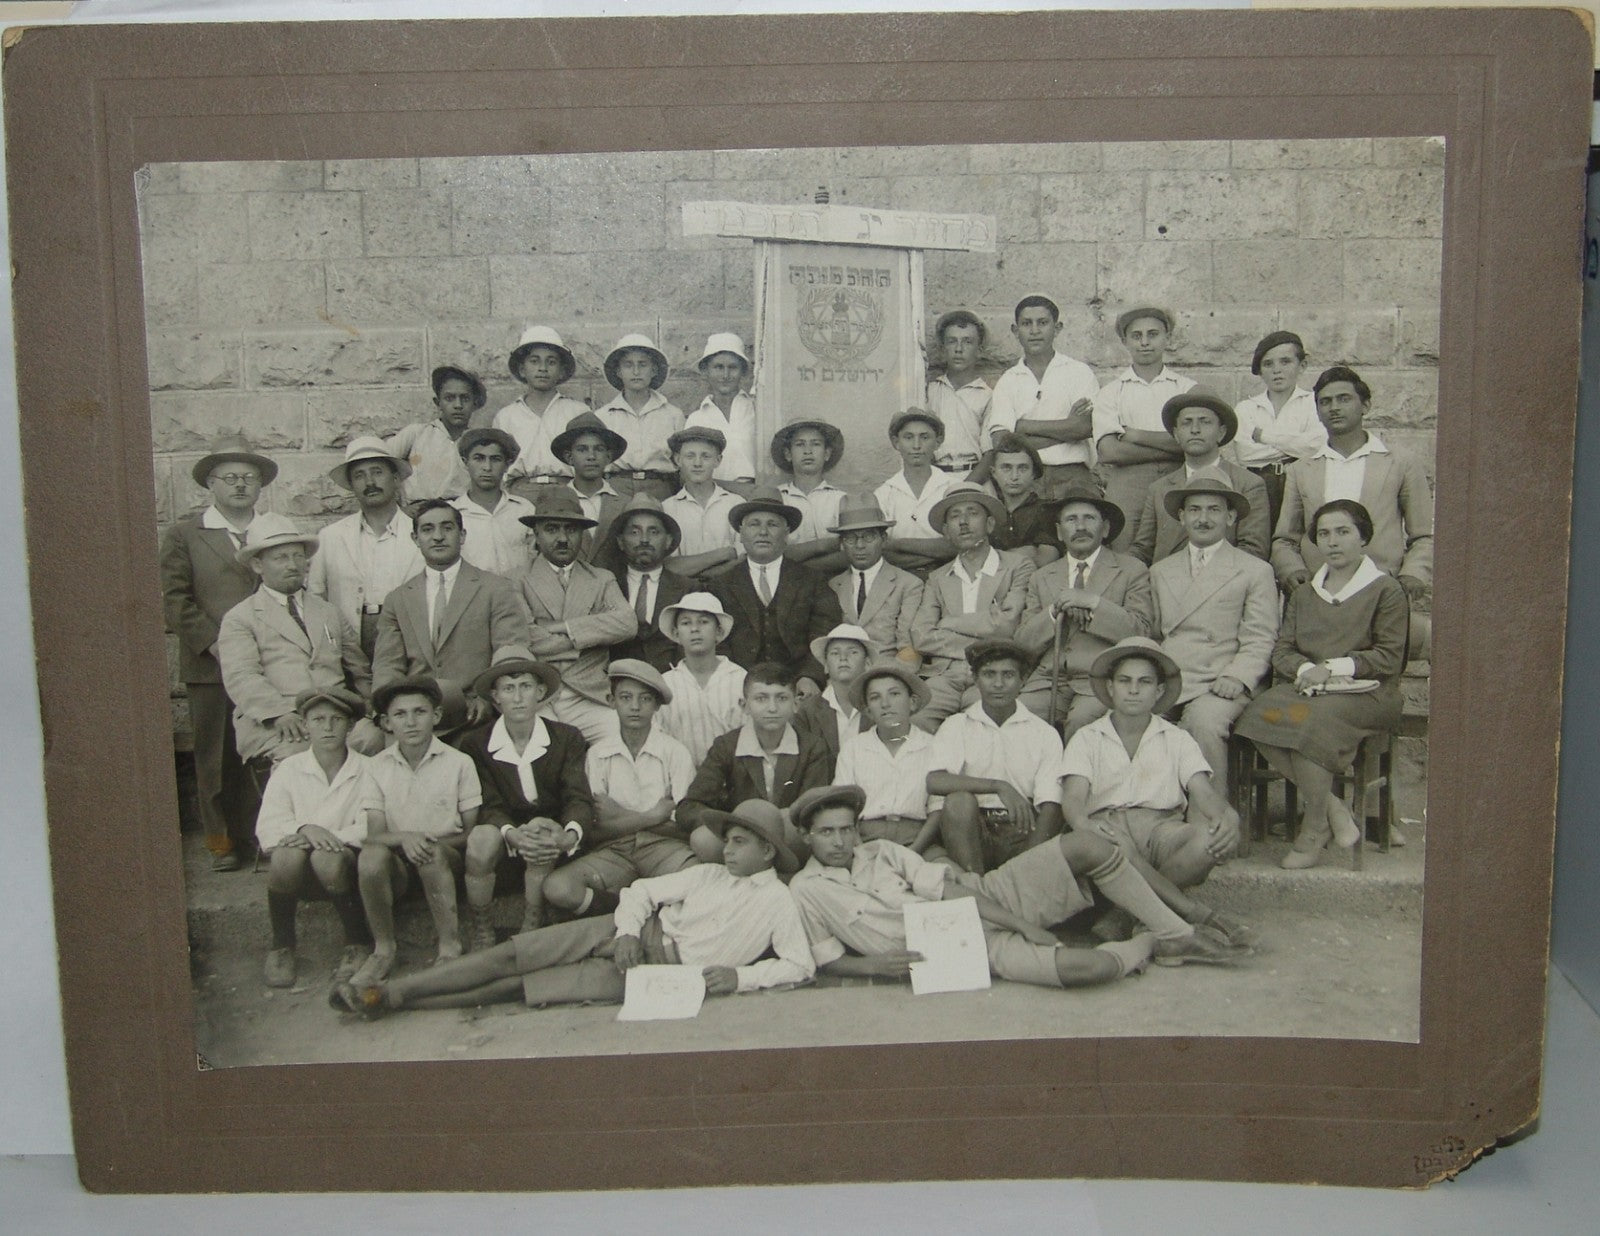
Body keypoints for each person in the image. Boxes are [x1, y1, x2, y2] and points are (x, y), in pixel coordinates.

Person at [330, 798, 813, 1017]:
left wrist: (741, 977)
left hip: (666, 974)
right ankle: (391, 991)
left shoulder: (778, 902)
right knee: (515, 953)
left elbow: (799, 964)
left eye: (740, 843)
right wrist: (625, 932)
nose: (727, 850)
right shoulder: (708, 873)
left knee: (518, 987)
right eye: (727, 840)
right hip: (626, 934)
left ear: (769, 851)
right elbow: (641, 892)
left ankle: (402, 1004)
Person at [789, 785, 1243, 987]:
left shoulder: (882, 852)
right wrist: (874, 967)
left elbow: (954, 892)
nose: (840, 841)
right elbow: (825, 958)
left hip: (988, 898)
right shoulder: (807, 890)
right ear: (809, 836)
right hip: (948, 948)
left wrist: (1023, 925)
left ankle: (1175, 933)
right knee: (1094, 972)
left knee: (1087, 844)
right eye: (827, 833)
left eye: (846, 829)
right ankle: (1150, 943)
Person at [1235, 500, 1410, 869]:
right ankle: (1334, 810)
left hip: (1370, 694)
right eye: (1324, 534)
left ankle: (1312, 830)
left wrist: (1330, 668)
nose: (1333, 542)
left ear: (1363, 537)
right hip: (1311, 693)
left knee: (1308, 724)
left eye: (1343, 532)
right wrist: (1305, 671)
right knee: (1257, 714)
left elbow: (1389, 658)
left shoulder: (1385, 590)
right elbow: (1283, 651)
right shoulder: (1304, 593)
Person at [1056, 639, 1251, 936]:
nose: (1133, 690)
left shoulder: (1177, 738)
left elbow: (1203, 792)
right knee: (1115, 844)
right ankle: (1190, 915)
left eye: (1144, 682)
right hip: (1105, 828)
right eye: (1124, 681)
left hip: (1161, 830)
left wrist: (1227, 817)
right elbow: (1073, 797)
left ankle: (1126, 914)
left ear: (1158, 691)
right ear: (1110, 687)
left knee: (1206, 840)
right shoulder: (1087, 737)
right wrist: (1083, 824)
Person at [160, 433, 273, 871]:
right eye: (230, 477)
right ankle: (222, 841)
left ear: (261, 484)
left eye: (249, 477)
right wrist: (214, 644)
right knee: (216, 753)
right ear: (211, 483)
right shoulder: (187, 534)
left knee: (266, 744)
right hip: (212, 664)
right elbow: (176, 599)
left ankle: (266, 835)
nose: (240, 485)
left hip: (268, 662)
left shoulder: (271, 530)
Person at [540, 660, 699, 922]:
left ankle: (645, 913)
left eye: (645, 699)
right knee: (558, 888)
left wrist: (619, 815)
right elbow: (596, 829)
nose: (635, 707)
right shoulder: (598, 755)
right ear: (611, 701)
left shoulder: (675, 753)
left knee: (697, 879)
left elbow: (683, 827)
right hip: (615, 850)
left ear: (657, 705)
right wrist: (651, 816)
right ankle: (623, 909)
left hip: (665, 848)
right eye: (625, 697)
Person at [217, 514, 380, 767]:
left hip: (334, 714)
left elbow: (358, 668)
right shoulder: (241, 618)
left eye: (298, 556)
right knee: (299, 758)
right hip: (277, 719)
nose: (292, 565)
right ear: (258, 565)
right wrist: (279, 713)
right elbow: (242, 676)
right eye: (280, 558)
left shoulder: (328, 612)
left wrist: (372, 704)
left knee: (372, 738)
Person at [1146, 477, 1280, 785]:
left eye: (1214, 510)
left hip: (1223, 680)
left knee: (1203, 722)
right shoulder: (1161, 571)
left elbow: (1261, 636)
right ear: (1181, 517)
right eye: (1194, 510)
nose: (1203, 519)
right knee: (1131, 716)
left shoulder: (1254, 570)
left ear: (1230, 517)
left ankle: (1212, 817)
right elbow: (1155, 635)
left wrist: (1237, 676)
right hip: (1173, 677)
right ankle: (1153, 814)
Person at [457, 647, 594, 939]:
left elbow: (577, 796)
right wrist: (511, 833)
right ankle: (482, 927)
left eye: (525, 687)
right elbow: (488, 804)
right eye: (508, 688)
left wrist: (568, 836)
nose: (517, 697)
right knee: (481, 838)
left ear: (540, 692)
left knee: (541, 830)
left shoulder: (567, 737)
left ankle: (532, 922)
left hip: (549, 842)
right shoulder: (475, 744)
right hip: (505, 842)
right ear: (495, 696)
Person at [356, 677, 483, 983]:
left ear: (436, 716)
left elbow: (471, 832)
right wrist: (405, 838)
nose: (411, 722)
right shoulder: (376, 766)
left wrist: (427, 842)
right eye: (400, 715)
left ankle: (450, 946)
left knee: (431, 853)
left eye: (420, 712)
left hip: (446, 860)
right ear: (387, 723)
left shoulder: (459, 763)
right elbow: (373, 835)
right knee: (370, 858)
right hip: (398, 864)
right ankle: (383, 949)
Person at [1271, 366, 1433, 604]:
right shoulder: (1301, 469)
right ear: (1317, 411)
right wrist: (1291, 570)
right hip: (1319, 592)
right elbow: (1285, 538)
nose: (1334, 408)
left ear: (1365, 406)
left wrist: (1413, 574)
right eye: (1325, 402)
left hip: (1381, 591)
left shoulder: (1401, 463)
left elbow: (1423, 535)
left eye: (1344, 399)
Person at [370, 498, 530, 734]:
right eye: (427, 529)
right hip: (415, 717)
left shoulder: (495, 588)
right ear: (415, 539)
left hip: (476, 714)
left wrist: (488, 699)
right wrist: (387, 710)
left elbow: (509, 653)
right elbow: (388, 664)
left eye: (447, 528)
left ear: (462, 536)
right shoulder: (398, 599)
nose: (438, 536)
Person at [254, 686, 377, 989]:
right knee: (284, 854)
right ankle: (282, 946)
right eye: (318, 719)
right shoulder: (289, 769)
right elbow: (268, 824)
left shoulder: (370, 769)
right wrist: (304, 830)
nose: (327, 727)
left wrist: (328, 837)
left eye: (336, 720)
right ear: (305, 725)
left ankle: (357, 941)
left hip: (345, 871)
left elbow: (372, 824)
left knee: (327, 857)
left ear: (350, 727)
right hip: (298, 874)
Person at [1015, 487, 1153, 737]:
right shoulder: (1042, 576)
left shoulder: (1132, 569)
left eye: (1089, 518)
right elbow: (1024, 643)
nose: (1080, 527)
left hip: (1101, 678)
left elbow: (1141, 631)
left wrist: (1092, 602)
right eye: (1071, 520)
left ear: (1106, 528)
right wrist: (1054, 611)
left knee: (1081, 725)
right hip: (1048, 680)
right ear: (1059, 531)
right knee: (1020, 720)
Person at [927, 640, 1065, 874]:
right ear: (975, 678)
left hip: (1022, 829)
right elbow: (935, 780)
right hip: (971, 829)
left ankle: (1001, 890)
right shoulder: (957, 725)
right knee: (959, 801)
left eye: (1008, 675)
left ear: (1023, 680)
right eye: (989, 674)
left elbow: (1051, 805)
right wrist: (998, 786)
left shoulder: (1043, 733)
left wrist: (1028, 862)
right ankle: (977, 890)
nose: (998, 684)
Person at [517, 488, 638, 745]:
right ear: (536, 534)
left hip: (589, 695)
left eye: (571, 530)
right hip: (540, 695)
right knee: (539, 754)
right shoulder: (515, 579)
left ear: (582, 535)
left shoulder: (600, 578)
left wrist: (561, 627)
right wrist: (591, 636)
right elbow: (525, 638)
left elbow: (627, 624)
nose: (562, 538)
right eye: (551, 529)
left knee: (620, 740)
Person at [909, 482, 1036, 728]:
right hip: (944, 675)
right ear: (946, 530)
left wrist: (947, 624)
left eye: (972, 513)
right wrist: (983, 641)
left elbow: (1006, 625)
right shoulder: (937, 578)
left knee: (982, 726)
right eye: (955, 516)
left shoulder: (1018, 566)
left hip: (994, 673)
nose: (963, 522)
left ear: (989, 524)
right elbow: (921, 635)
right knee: (914, 723)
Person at [680, 663, 834, 864]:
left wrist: (775, 823)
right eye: (761, 698)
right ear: (744, 705)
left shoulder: (812, 747)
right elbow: (689, 807)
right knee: (702, 838)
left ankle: (782, 873)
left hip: (789, 838)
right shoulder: (726, 746)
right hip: (740, 838)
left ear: (796, 704)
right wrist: (733, 825)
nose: (772, 708)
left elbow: (813, 807)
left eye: (781, 698)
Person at [709, 487, 842, 693]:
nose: (763, 532)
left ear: (786, 533)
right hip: (736, 685)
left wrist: (810, 676)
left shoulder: (811, 580)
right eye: (754, 524)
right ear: (741, 534)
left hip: (798, 684)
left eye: (772, 524)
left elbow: (824, 633)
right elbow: (715, 640)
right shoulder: (720, 585)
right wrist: (732, 680)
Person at [307, 437, 423, 662]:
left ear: (396, 478)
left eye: (377, 472)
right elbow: (315, 599)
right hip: (350, 650)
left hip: (411, 647)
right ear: (351, 485)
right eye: (359, 475)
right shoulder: (331, 537)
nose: (370, 482)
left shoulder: (421, 533)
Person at [1092, 307, 1195, 550]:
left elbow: (1194, 442)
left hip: (1177, 478)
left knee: (1176, 551)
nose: (1145, 342)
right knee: (1125, 551)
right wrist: (1174, 446)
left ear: (1167, 338)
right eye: (1137, 336)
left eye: (1153, 334)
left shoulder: (1186, 389)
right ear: (1125, 341)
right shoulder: (1111, 392)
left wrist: (1135, 435)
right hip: (1127, 482)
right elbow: (1109, 452)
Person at [1129, 389, 1270, 564]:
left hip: (1227, 584)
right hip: (1167, 584)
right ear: (1176, 434)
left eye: (1205, 422)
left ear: (1221, 432)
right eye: (1187, 423)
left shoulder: (1248, 484)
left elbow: (1253, 551)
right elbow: (1143, 549)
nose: (1195, 430)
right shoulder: (1159, 489)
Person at [984, 294, 1099, 496]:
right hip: (1026, 480)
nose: (1035, 331)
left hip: (1073, 476)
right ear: (1015, 330)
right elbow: (1002, 442)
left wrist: (1024, 427)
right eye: (1027, 323)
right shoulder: (1009, 380)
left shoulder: (1078, 372)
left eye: (1043, 323)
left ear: (1057, 327)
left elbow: (1084, 426)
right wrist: (1066, 430)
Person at [831, 661, 945, 853]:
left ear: (912, 702)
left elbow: (937, 810)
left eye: (894, 694)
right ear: (868, 710)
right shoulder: (854, 748)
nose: (886, 704)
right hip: (865, 839)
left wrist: (913, 852)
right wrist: (861, 850)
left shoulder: (933, 746)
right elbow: (843, 806)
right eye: (875, 698)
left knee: (947, 876)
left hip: (919, 839)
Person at [1232, 331, 1326, 531]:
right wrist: (1294, 445)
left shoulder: (1313, 403)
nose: (1277, 370)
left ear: (1302, 366)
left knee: (1299, 538)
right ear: (1260, 371)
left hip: (1302, 483)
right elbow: (1246, 454)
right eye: (1268, 364)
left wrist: (1264, 437)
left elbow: (1315, 447)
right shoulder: (1246, 409)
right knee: (1259, 537)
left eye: (1285, 362)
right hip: (1260, 484)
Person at [824, 494, 924, 662]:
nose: (860, 545)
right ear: (841, 543)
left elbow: (908, 648)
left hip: (888, 675)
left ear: (883, 539)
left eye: (869, 536)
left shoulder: (908, 585)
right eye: (850, 538)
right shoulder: (833, 585)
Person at [601, 494, 692, 671]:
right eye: (634, 532)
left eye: (654, 532)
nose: (644, 539)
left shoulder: (687, 589)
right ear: (620, 541)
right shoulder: (605, 586)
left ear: (668, 540)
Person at [496, 325, 588, 499]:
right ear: (522, 369)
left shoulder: (577, 412)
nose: (543, 368)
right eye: (534, 361)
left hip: (567, 491)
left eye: (551, 362)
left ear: (561, 371)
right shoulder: (506, 416)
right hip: (520, 492)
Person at [654, 592, 747, 765]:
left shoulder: (740, 679)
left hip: (733, 775)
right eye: (686, 623)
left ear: (718, 632)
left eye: (703, 622)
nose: (694, 629)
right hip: (680, 777)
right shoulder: (664, 684)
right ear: (676, 633)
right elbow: (658, 738)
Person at [595, 332, 684, 501]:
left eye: (642, 364)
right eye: (628, 365)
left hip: (660, 487)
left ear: (654, 370)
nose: (636, 371)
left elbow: (681, 463)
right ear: (619, 371)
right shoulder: (604, 416)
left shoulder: (673, 415)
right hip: (617, 487)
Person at [873, 408, 960, 573]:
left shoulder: (953, 487)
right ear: (896, 442)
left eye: (925, 437)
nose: (916, 445)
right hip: (899, 579)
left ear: (938, 441)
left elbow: (958, 546)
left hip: (948, 576)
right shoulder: (884, 494)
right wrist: (937, 552)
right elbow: (882, 552)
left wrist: (899, 544)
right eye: (908, 437)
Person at [386, 365, 484, 504]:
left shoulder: (479, 441)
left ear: (474, 403)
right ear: (438, 403)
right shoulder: (416, 434)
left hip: (463, 515)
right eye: (449, 398)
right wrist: (400, 510)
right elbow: (380, 465)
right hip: (420, 513)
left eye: (465, 398)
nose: (458, 405)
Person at [450, 427, 536, 579]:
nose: (487, 467)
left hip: (517, 595)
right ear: (465, 462)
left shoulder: (524, 510)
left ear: (507, 465)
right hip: (474, 596)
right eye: (479, 458)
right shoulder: (454, 513)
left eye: (495, 459)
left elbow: (535, 560)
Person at [660, 425, 743, 577]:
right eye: (690, 456)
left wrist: (694, 568)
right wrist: (723, 553)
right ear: (678, 460)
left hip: (729, 591)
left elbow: (743, 561)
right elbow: (670, 567)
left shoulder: (736, 504)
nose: (697, 463)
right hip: (683, 593)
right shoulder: (667, 508)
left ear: (717, 461)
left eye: (706, 456)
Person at [684, 332, 758, 495]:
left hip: (755, 495)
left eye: (732, 367)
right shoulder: (697, 419)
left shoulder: (757, 409)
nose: (725, 375)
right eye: (718, 367)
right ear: (706, 371)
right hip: (713, 494)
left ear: (743, 372)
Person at [548, 411, 628, 561]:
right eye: (582, 449)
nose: (591, 456)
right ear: (569, 457)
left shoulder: (624, 504)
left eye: (598, 449)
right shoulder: (554, 502)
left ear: (608, 457)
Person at [772, 419, 847, 564]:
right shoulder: (778, 498)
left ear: (826, 454)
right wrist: (824, 545)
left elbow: (848, 553)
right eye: (800, 444)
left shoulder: (840, 500)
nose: (808, 451)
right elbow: (773, 553)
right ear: (788, 454)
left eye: (816, 444)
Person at [924, 309, 991, 472]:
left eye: (967, 341)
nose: (959, 349)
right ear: (942, 349)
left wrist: (966, 486)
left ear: (979, 350)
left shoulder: (987, 395)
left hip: (974, 477)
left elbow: (991, 454)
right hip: (936, 477)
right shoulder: (930, 392)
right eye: (952, 341)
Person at [796, 623, 876, 759]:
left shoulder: (880, 707)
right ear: (826, 665)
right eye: (835, 653)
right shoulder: (808, 711)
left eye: (853, 652)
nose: (843, 658)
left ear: (867, 664)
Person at [983, 432, 1063, 568]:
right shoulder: (987, 513)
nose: (1014, 476)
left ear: (1034, 473)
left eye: (1022, 468)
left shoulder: (1047, 510)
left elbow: (1045, 559)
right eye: (1006, 468)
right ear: (994, 473)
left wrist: (993, 558)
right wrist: (1027, 551)